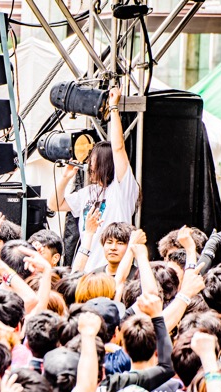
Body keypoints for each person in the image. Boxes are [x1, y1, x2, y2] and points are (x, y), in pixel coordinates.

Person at [47, 88, 140, 272]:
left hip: (113, 270)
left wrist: (113, 108)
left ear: (106, 162)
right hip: (88, 269)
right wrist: (64, 178)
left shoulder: (121, 187)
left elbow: (118, 148)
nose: (89, 164)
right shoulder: (89, 192)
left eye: (94, 160)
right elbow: (54, 204)